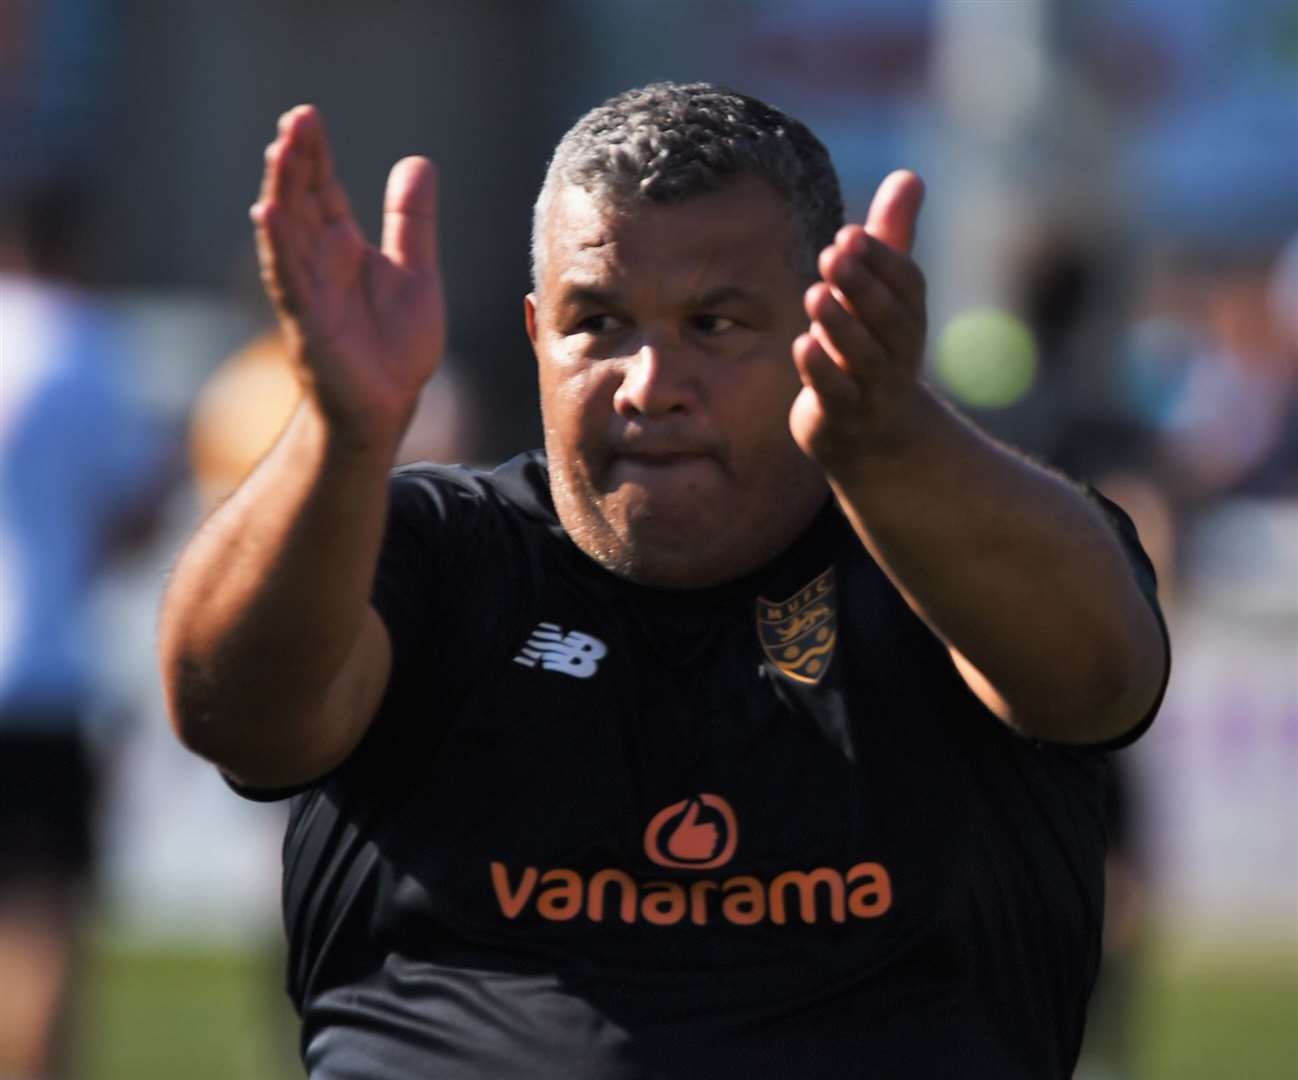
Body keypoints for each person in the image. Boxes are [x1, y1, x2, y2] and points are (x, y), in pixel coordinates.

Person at [159, 83, 1170, 1079]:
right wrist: (338, 435)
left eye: (714, 325)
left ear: (818, 330)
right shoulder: (430, 547)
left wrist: (898, 437)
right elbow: (234, 715)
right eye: (596, 322)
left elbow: (1096, 680)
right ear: (532, 336)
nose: (649, 384)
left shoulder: (943, 563)